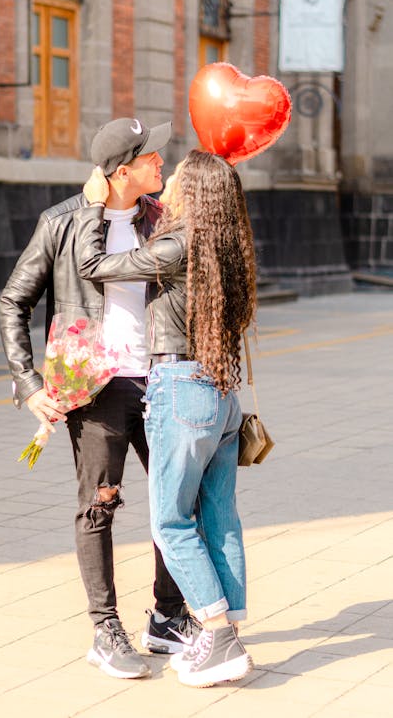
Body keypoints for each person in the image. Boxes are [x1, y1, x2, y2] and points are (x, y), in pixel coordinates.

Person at [0, 118, 199, 681]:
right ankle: (104, 629)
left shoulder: (162, 220)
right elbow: (14, 300)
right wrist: (28, 383)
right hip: (96, 387)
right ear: (121, 170)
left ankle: (166, 616)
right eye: (151, 156)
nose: (163, 161)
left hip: (162, 377)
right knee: (100, 505)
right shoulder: (62, 223)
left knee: (177, 503)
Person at [74, 149, 257, 687]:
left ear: (193, 193)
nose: (167, 183)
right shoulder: (226, 248)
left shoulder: (177, 247)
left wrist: (93, 208)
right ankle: (226, 633)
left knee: (172, 524)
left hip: (182, 391)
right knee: (219, 519)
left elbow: (94, 267)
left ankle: (217, 633)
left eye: (177, 178)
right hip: (222, 397)